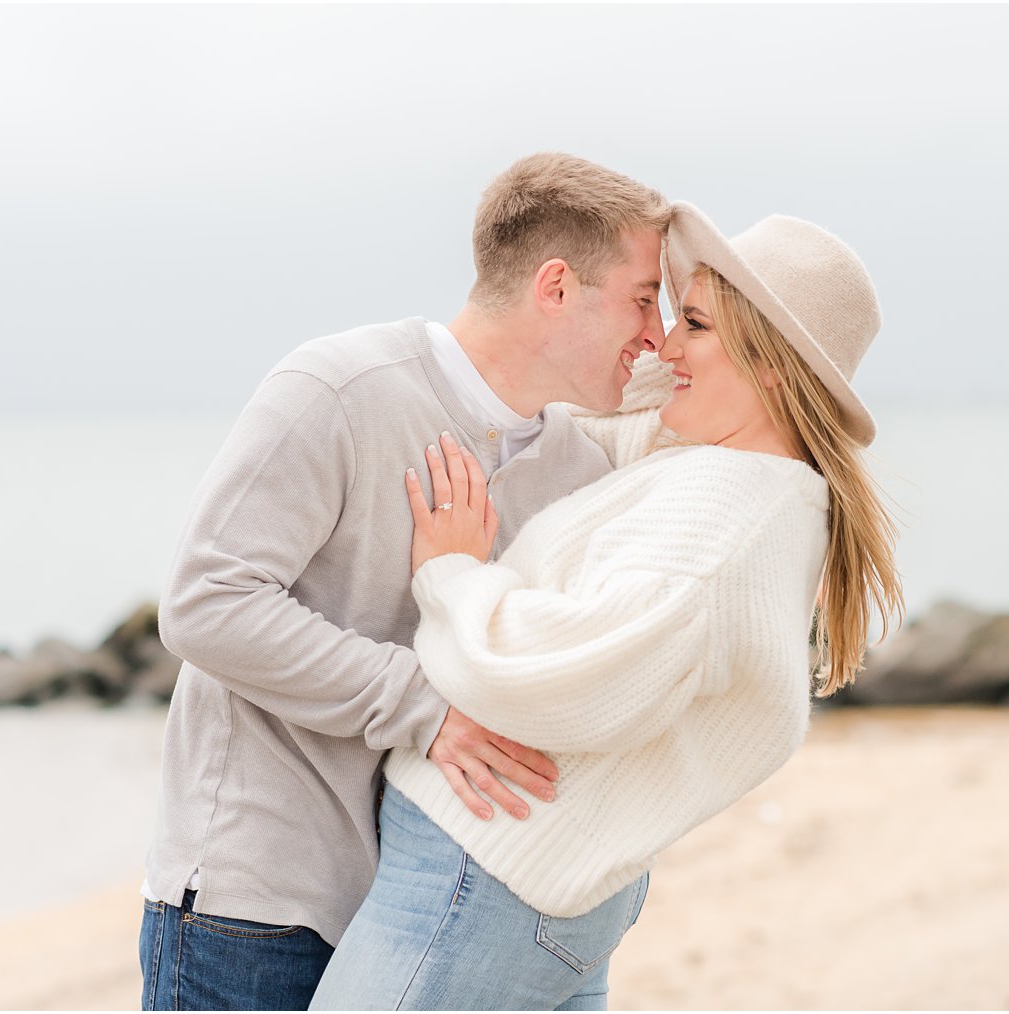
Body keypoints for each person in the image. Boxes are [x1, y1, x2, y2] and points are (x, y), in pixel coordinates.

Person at [309, 201, 905, 1011]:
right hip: (523, 880)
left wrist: (451, 574)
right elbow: (598, 409)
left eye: (691, 322)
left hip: (481, 876)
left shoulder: (722, 521)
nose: (661, 341)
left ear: (771, 362)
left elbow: (568, 675)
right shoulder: (707, 465)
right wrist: (678, 338)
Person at [137, 153, 671, 1011]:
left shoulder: (577, 468)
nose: (656, 331)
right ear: (557, 287)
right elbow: (206, 602)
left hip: (418, 921)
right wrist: (425, 707)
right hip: (254, 906)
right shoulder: (340, 389)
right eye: (645, 298)